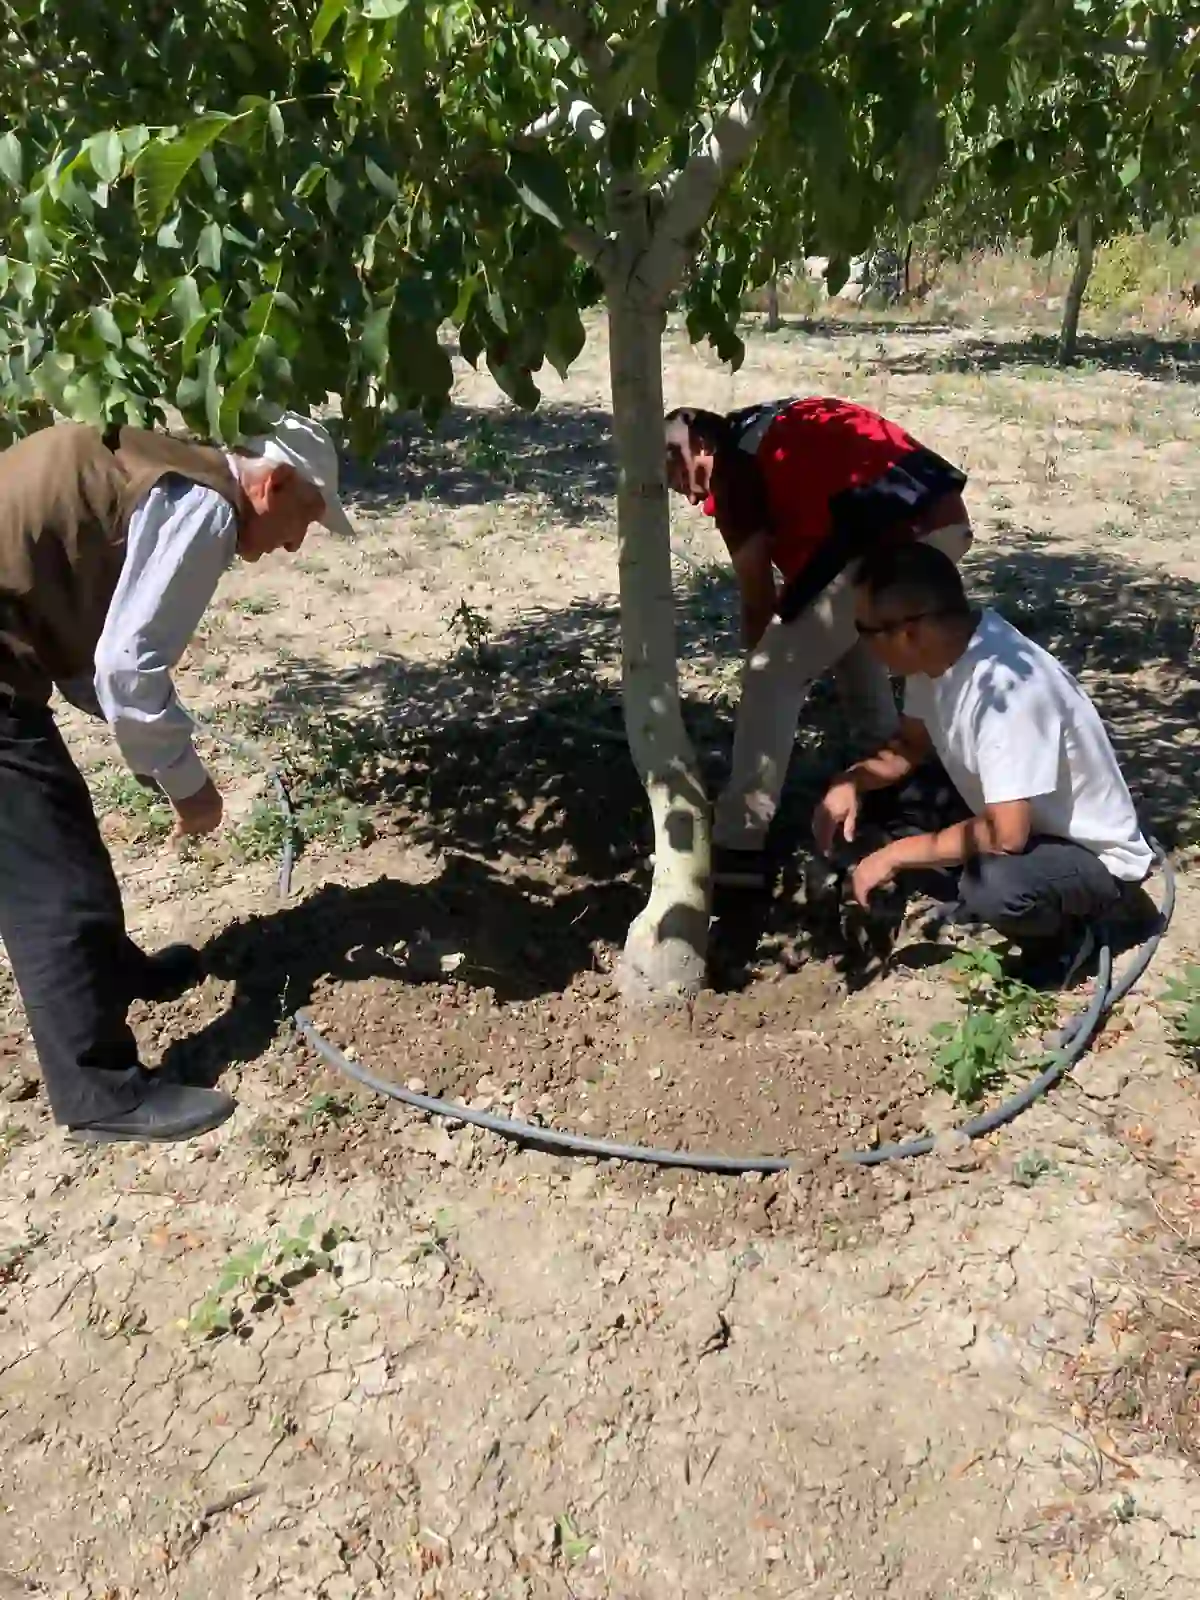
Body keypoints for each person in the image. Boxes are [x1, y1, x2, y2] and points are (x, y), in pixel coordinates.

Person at [0, 412, 355, 1143]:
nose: (295, 541)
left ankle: (113, 978)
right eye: (304, 518)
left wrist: (152, 746)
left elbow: (85, 625)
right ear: (274, 483)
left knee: (61, 831)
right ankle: (101, 1096)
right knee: (53, 881)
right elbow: (128, 672)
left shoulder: (169, 469)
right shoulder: (206, 506)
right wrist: (188, 784)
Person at [664, 395, 973, 889]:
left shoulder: (735, 469)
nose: (678, 488)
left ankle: (738, 846)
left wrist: (761, 671)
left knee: (772, 673)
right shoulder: (765, 431)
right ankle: (893, 787)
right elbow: (819, 593)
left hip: (894, 533)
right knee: (850, 637)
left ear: (700, 441)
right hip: (936, 515)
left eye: (675, 466)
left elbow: (757, 599)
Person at [812, 541, 1154, 975]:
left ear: (907, 632)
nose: (859, 642)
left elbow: (1006, 834)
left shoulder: (1005, 693)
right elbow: (909, 748)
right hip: (1026, 824)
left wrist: (894, 855)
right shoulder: (936, 659)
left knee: (995, 886)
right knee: (894, 797)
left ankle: (1073, 939)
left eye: (864, 629)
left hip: (1092, 859)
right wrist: (851, 781)